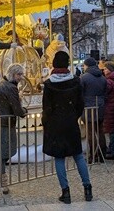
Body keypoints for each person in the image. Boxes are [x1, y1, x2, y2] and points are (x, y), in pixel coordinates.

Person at [42, 52, 92, 204]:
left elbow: (47, 107)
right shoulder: (75, 81)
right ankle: (87, 188)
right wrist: (73, 116)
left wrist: (47, 122)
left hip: (56, 123)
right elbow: (80, 104)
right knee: (78, 155)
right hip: (71, 122)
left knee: (59, 158)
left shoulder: (49, 84)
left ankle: (65, 191)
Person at [0, 63, 27, 195]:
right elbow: (18, 110)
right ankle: (3, 185)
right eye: (19, 74)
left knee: (2, 155)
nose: (21, 77)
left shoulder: (1, 84)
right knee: (2, 155)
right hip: (4, 125)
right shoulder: (10, 88)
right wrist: (24, 110)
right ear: (13, 74)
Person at [80, 56, 106, 163]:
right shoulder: (102, 77)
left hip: (88, 108)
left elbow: (80, 93)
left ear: (86, 65)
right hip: (100, 106)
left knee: (90, 132)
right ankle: (102, 155)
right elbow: (105, 92)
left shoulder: (84, 78)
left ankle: (93, 156)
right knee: (100, 131)